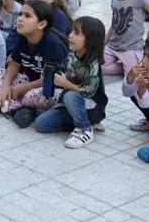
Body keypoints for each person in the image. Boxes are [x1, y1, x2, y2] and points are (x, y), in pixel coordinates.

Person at [0, 0, 69, 127]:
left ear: (41, 24)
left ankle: (8, 103)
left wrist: (24, 88)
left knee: (29, 96)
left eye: (27, 16)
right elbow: (14, 64)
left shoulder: (53, 45)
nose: (20, 19)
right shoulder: (23, 36)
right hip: (30, 81)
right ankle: (16, 108)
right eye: (20, 15)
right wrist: (5, 86)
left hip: (51, 88)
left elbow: (53, 80)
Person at [33, 17, 107, 148]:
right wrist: (50, 74)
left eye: (76, 33)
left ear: (90, 40)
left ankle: (85, 129)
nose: (70, 35)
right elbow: (63, 73)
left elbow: (88, 92)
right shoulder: (72, 56)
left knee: (70, 95)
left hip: (91, 107)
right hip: (71, 105)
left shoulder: (93, 64)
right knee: (41, 124)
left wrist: (66, 84)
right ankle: (83, 121)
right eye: (72, 31)